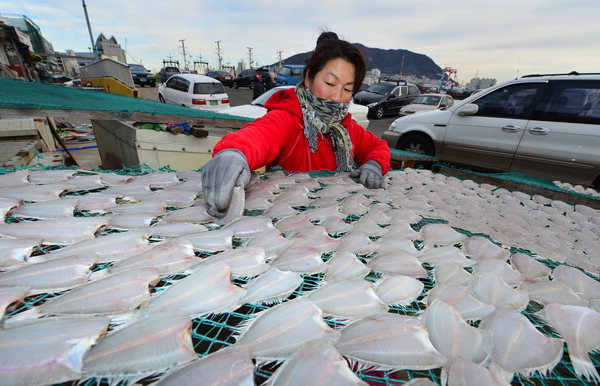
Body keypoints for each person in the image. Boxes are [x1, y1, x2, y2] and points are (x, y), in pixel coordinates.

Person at [202, 37, 391, 218]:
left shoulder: (347, 128)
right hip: (287, 222)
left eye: (347, 89)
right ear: (309, 78)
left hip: (335, 219)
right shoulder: (290, 119)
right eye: (330, 83)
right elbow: (261, 135)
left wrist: (373, 165)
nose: (336, 96)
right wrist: (234, 153)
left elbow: (378, 147)